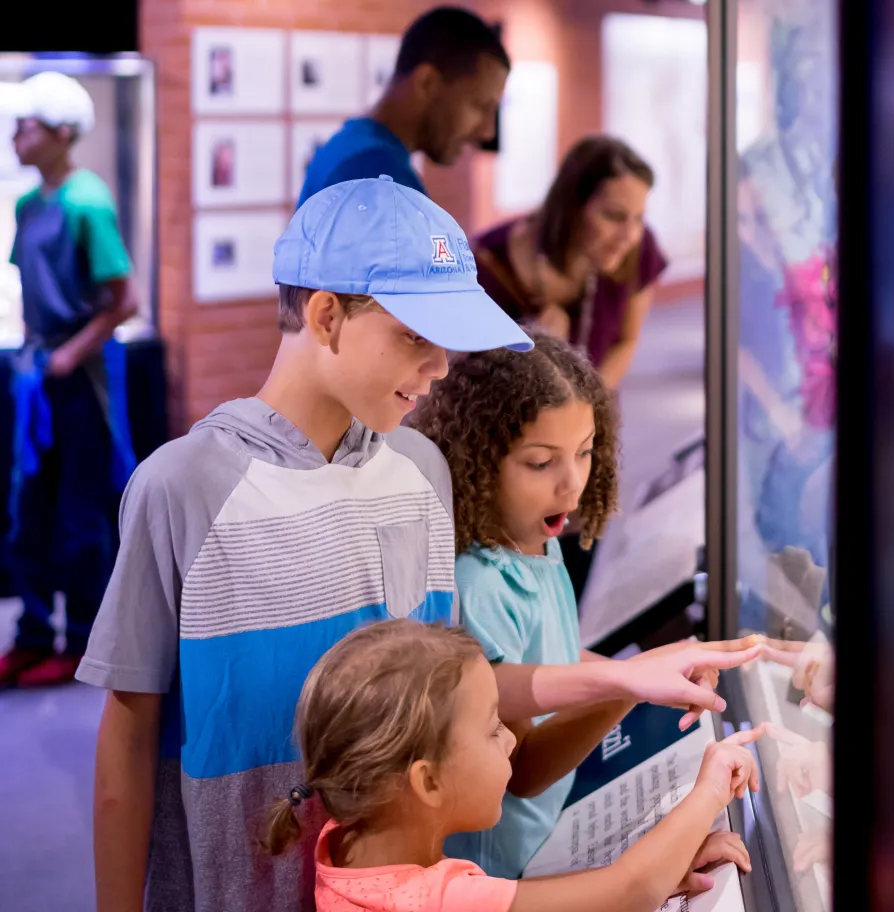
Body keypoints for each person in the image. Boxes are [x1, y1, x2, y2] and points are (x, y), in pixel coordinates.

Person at [76, 175, 766, 912]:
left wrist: (627, 679)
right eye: (415, 337)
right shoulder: (179, 487)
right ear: (326, 314)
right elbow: (128, 736)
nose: (439, 369)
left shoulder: (421, 470)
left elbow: (453, 691)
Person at [265, 618, 763, 912]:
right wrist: (711, 789)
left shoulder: (351, 842)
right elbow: (629, 891)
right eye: (493, 727)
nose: (510, 740)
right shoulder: (435, 901)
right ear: (428, 781)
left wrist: (668, 866)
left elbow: (501, 899)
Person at [411, 333, 638, 876]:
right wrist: (628, 686)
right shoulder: (481, 583)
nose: (572, 484)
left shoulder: (535, 544)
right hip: (504, 868)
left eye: (584, 452)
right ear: (477, 461)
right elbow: (524, 769)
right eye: (541, 463)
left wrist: (653, 675)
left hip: (544, 839)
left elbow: (550, 656)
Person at [0, 71, 138, 688]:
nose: (14, 136)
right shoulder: (29, 205)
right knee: (27, 508)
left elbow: (124, 298)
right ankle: (32, 634)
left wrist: (71, 351)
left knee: (81, 513)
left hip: (79, 377)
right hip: (38, 375)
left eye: (25, 125)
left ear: (59, 133)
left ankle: (81, 641)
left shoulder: (87, 200)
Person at [471, 136, 668, 390]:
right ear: (571, 207)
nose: (629, 236)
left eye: (639, 218)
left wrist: (591, 405)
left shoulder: (640, 248)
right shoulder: (488, 263)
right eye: (614, 216)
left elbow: (626, 341)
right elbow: (470, 383)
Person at [297, 6, 508, 206]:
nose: (487, 132)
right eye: (480, 106)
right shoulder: (377, 175)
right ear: (427, 83)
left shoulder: (351, 148)